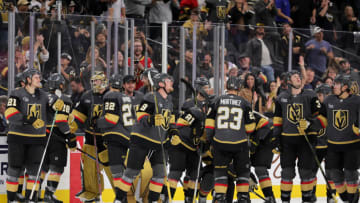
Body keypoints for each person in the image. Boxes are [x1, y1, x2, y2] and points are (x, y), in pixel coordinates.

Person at [5, 68, 64, 202]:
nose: (39, 79)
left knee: (34, 172)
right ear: (28, 79)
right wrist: (30, 120)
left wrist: (57, 107)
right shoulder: (16, 93)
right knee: (14, 170)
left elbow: (50, 111)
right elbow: (9, 114)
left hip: (37, 140)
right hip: (17, 138)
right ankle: (11, 200)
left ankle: (30, 199)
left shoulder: (43, 95)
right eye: (37, 77)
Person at [115, 73, 175, 202]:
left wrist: (174, 132)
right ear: (161, 84)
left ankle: (153, 201)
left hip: (159, 143)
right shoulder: (151, 97)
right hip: (142, 139)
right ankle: (118, 200)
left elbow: (171, 121)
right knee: (131, 173)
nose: (171, 82)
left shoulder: (169, 101)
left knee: (160, 175)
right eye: (168, 80)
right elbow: (140, 114)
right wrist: (151, 119)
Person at [272, 70, 327, 202]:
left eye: (299, 77)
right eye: (295, 77)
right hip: (287, 141)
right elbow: (277, 121)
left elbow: (323, 118)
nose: (298, 78)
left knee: (306, 173)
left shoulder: (311, 95)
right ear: (289, 81)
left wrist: (309, 124)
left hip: (306, 141)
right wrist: (276, 139)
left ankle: (307, 200)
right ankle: (285, 201)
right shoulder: (281, 98)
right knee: (286, 173)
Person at [205, 76, 256, 202]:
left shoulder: (216, 101)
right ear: (239, 87)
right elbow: (250, 128)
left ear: (227, 87)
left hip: (220, 143)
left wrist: (211, 141)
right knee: (242, 174)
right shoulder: (244, 103)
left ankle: (220, 197)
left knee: (221, 174)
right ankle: (243, 197)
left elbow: (209, 126)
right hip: (240, 144)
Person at [70, 71, 114, 201]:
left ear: (104, 81)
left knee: (112, 168)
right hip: (90, 136)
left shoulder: (112, 96)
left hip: (107, 138)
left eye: (98, 81)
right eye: (93, 81)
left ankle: (122, 192)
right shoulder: (86, 96)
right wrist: (69, 132)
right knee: (89, 166)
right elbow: (77, 116)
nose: (95, 83)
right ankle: (92, 192)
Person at [96, 74, 135, 202]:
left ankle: (120, 199)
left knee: (116, 170)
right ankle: (122, 197)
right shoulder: (127, 97)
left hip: (116, 135)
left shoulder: (110, 95)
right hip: (128, 135)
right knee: (122, 170)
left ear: (110, 84)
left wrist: (97, 123)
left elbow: (111, 120)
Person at [323, 75, 360, 203]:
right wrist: (309, 125)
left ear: (345, 87)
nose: (334, 86)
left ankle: (352, 200)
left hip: (352, 145)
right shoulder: (328, 100)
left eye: (337, 84)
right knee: (335, 176)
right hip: (333, 145)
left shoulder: (357, 101)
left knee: (351, 174)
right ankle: (346, 200)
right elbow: (321, 119)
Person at [43, 73, 76, 202]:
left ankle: (33, 192)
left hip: (40, 134)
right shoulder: (64, 99)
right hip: (56, 135)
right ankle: (49, 194)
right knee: (57, 167)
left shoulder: (41, 96)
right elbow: (61, 121)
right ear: (61, 85)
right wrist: (69, 135)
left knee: (43, 166)